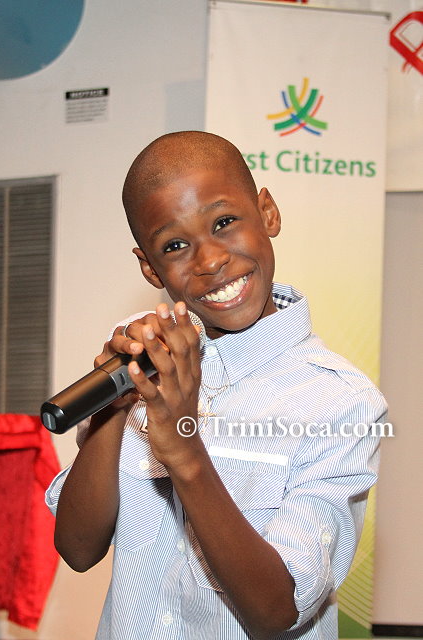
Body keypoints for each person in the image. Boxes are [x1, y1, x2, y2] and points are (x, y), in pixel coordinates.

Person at [46, 131, 387, 640]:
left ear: (267, 213)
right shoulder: (145, 357)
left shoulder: (342, 402)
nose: (208, 260)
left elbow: (277, 611)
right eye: (175, 245)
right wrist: (114, 407)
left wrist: (183, 449)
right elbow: (77, 548)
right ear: (149, 266)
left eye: (224, 223)